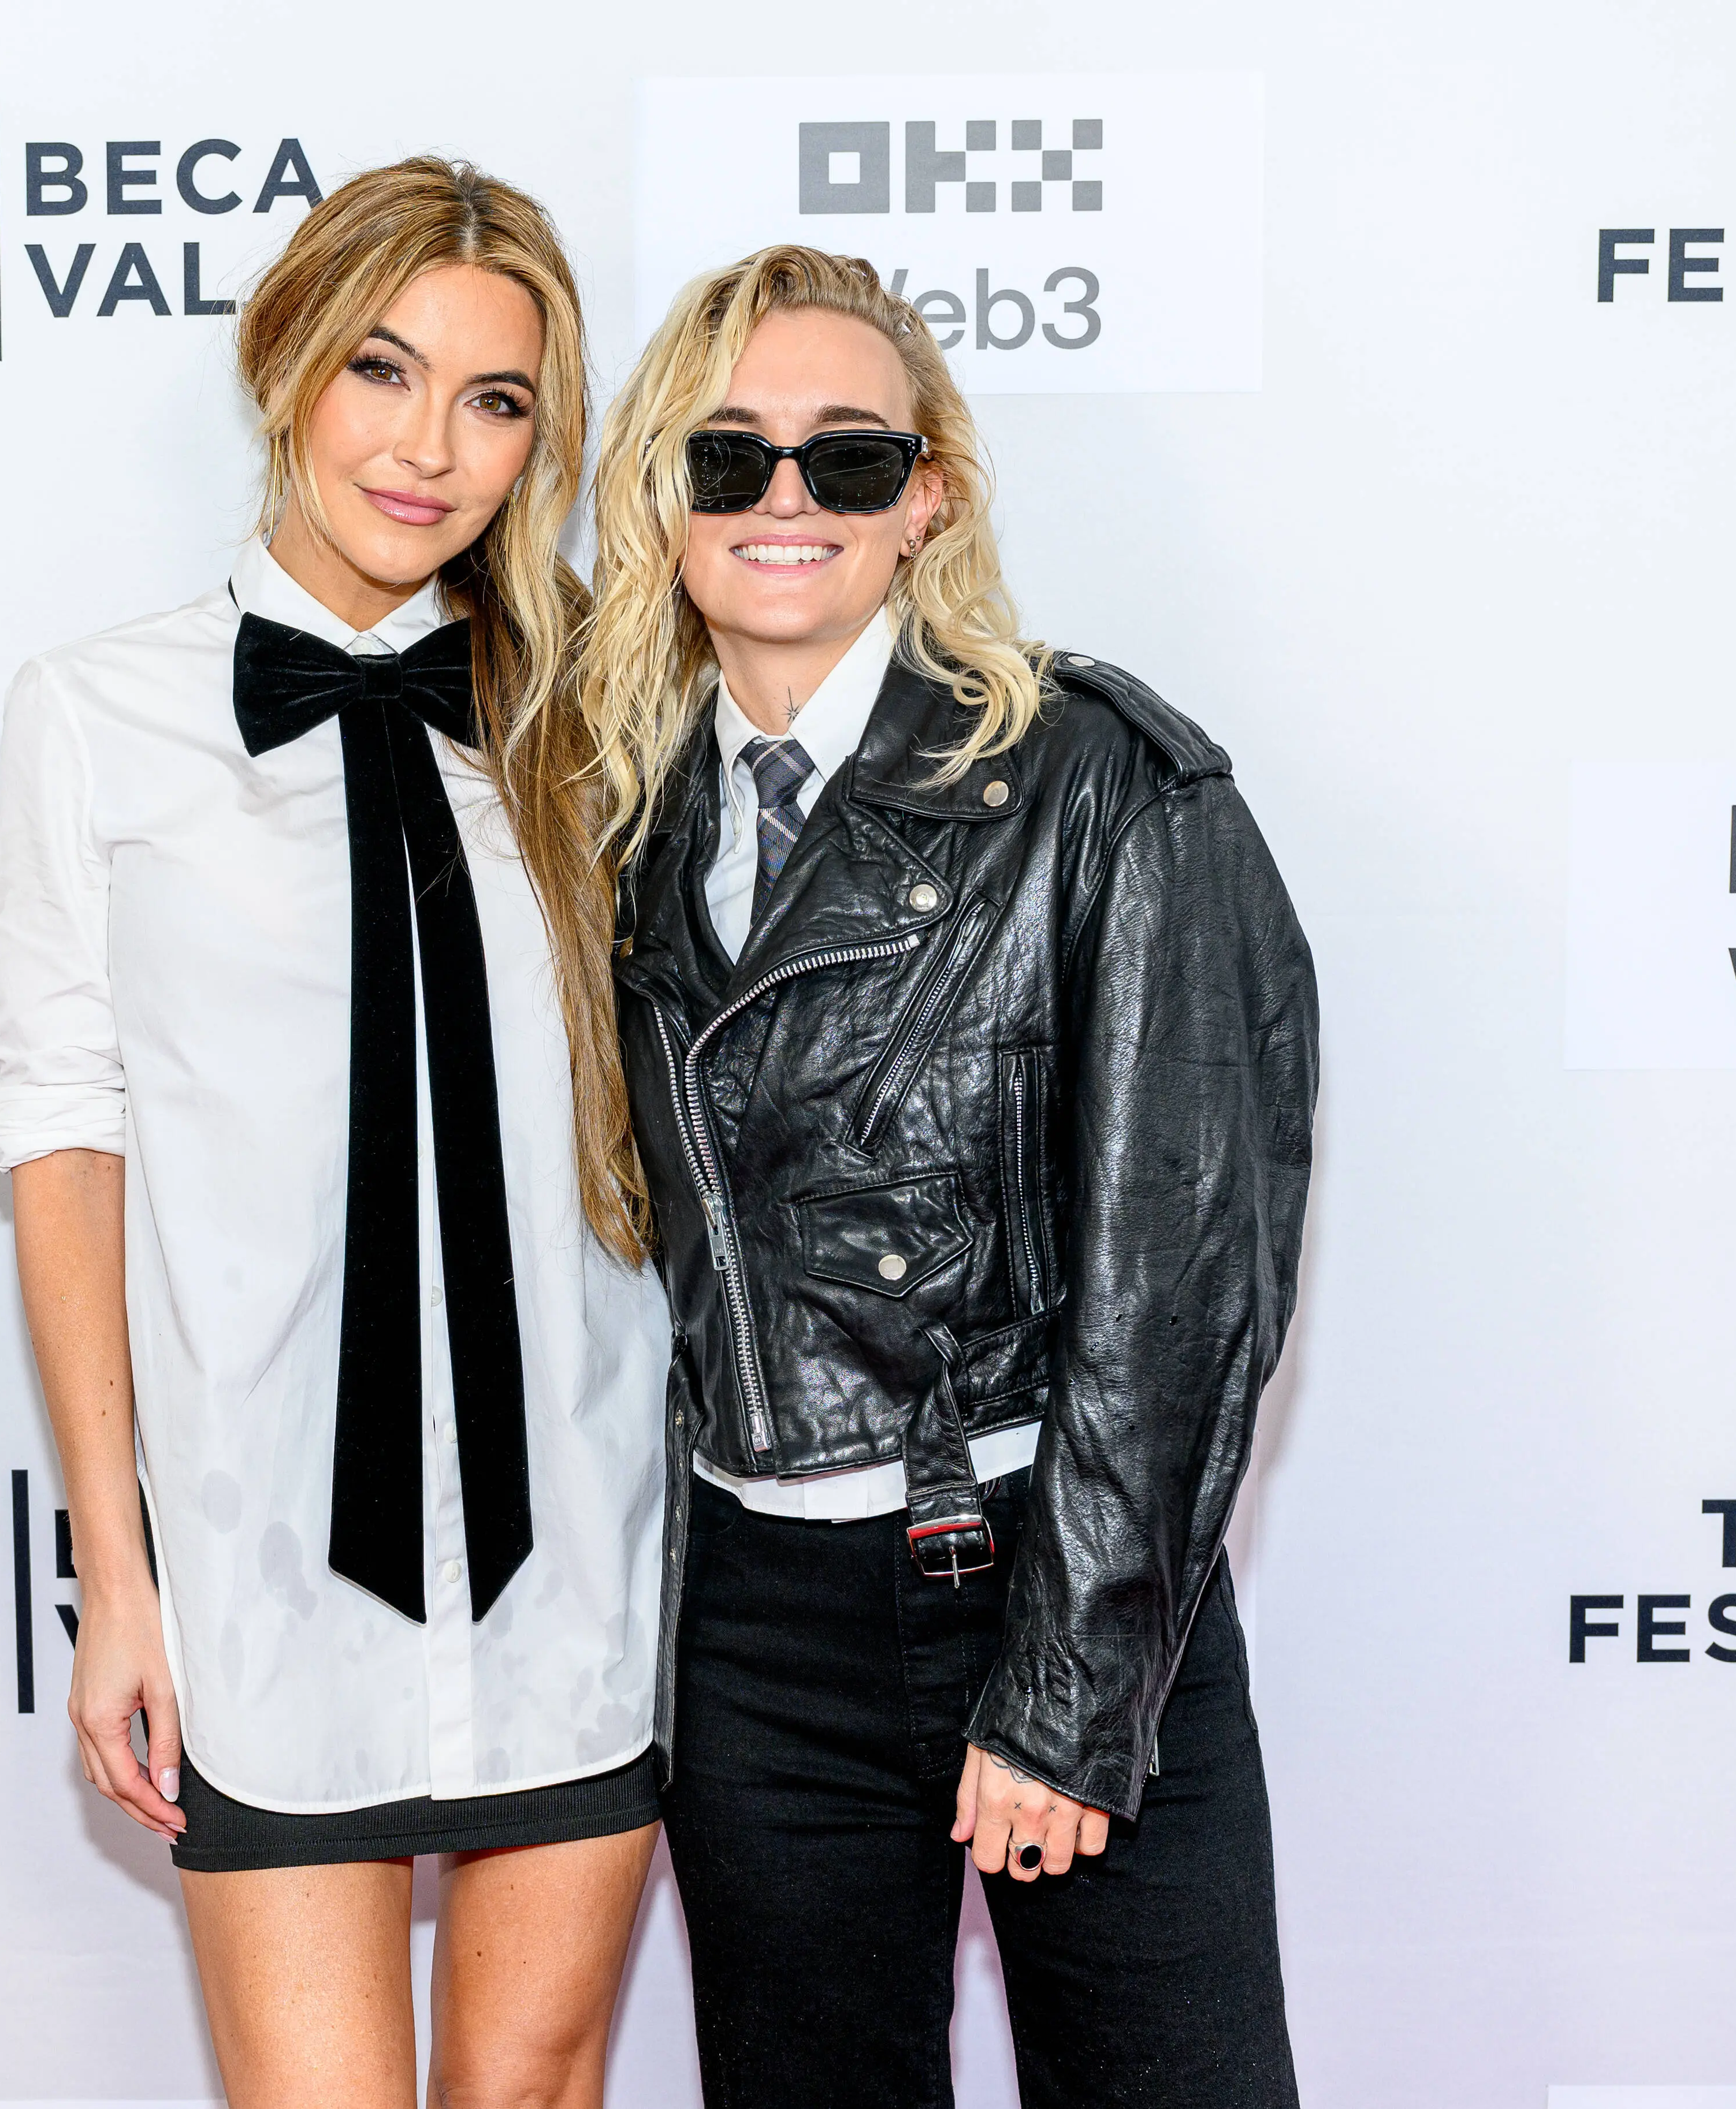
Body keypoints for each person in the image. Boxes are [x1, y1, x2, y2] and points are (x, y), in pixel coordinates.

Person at [579, 244, 1318, 2107]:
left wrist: (1070, 1687)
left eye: (843, 459)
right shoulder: (599, 813)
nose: (780, 502)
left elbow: (1184, 1276)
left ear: (928, 497)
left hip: (1041, 1570)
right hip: (751, 1629)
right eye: (721, 456)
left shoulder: (1099, 785)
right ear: (653, 496)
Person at [0, 158, 667, 2109]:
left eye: (495, 399)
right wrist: (117, 1578)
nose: (428, 446)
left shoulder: (600, 713)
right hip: (261, 1567)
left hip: (583, 1555)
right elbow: (64, 1151)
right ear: (283, 363)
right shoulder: (95, 716)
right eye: (383, 370)